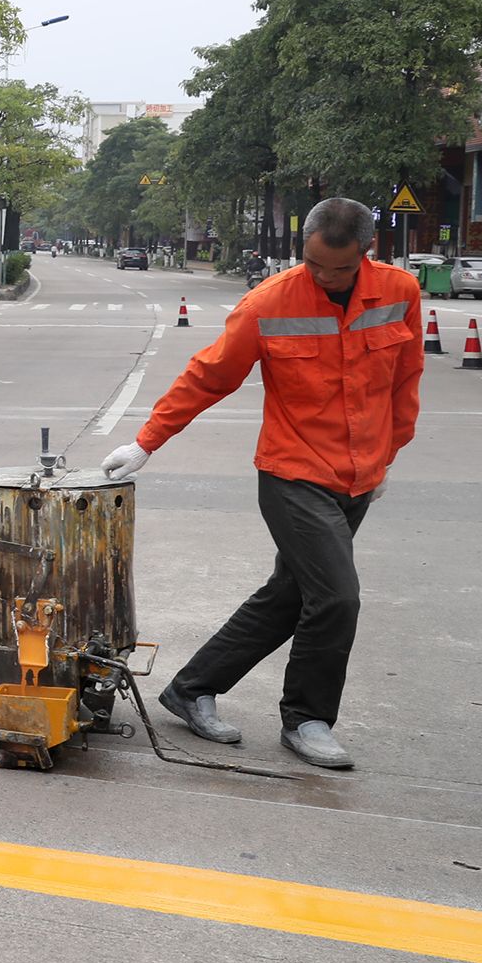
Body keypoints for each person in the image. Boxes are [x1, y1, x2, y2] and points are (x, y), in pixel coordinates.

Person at [102, 197, 421, 770]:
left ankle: (191, 687)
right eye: (313, 264)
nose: (323, 278)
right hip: (293, 473)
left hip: (361, 472)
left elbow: (406, 376)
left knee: (291, 595)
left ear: (367, 254)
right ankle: (307, 718)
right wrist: (146, 441)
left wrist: (390, 453)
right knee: (337, 597)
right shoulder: (270, 302)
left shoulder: (400, 293)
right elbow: (209, 376)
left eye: (338, 269)